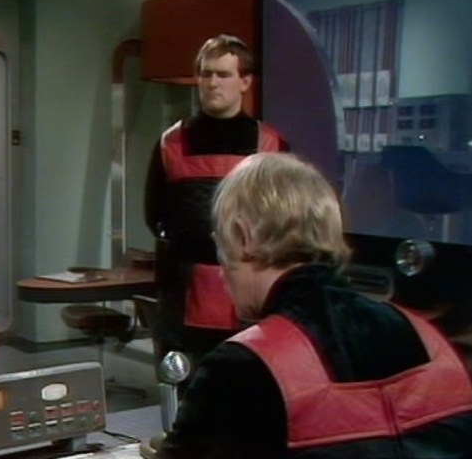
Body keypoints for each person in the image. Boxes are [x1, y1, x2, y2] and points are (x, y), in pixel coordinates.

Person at [158, 152, 472, 458]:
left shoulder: (240, 367)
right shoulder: (430, 340)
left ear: (243, 237)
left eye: (221, 246)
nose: (222, 273)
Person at [145, 34, 286, 372]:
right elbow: (155, 214)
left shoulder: (270, 145)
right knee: (183, 386)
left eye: (223, 74)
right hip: (182, 296)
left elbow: (282, 223)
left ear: (245, 82)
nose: (212, 83)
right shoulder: (170, 143)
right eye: (206, 74)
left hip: (250, 298)